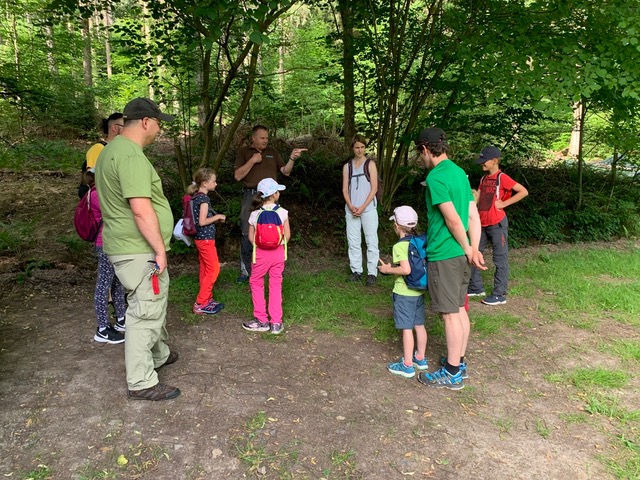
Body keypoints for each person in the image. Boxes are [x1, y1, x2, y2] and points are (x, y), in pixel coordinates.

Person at [94, 97, 180, 401]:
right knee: (145, 309)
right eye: (158, 123)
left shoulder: (111, 151)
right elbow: (141, 209)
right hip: (138, 248)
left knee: (150, 301)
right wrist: (160, 250)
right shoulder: (130, 156)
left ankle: (160, 353)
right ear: (145, 122)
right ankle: (142, 380)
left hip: (123, 246)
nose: (159, 130)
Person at [414, 127, 485, 390]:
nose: (420, 158)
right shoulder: (459, 173)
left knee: (450, 314)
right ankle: (459, 362)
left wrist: (467, 247)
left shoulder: (436, 177)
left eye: (419, 153)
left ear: (424, 149)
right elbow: (472, 215)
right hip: (461, 254)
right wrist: (474, 248)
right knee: (459, 309)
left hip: (446, 253)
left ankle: (452, 371)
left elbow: (453, 218)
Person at [234, 125, 306, 283]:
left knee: (275, 229)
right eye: (262, 138)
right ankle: (246, 271)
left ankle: (274, 266)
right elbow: (238, 176)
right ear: (253, 138)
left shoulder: (272, 152)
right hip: (251, 196)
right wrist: (253, 160)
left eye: (267, 138)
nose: (265, 141)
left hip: (272, 198)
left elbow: (285, 171)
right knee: (247, 233)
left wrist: (292, 158)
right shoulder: (244, 152)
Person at [468, 146, 529, 305]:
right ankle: (475, 287)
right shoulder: (483, 179)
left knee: (499, 258)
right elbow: (479, 198)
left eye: (484, 161)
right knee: (474, 253)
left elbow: (523, 191)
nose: (481, 164)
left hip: (497, 224)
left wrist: (504, 203)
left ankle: (499, 294)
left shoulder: (502, 178)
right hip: (481, 223)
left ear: (494, 161)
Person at [377, 206, 428, 378]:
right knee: (419, 325)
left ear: (397, 225)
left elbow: (405, 270)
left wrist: (387, 270)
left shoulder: (400, 246)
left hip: (404, 292)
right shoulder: (419, 241)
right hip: (419, 291)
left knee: (406, 328)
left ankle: (407, 365)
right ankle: (420, 358)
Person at [242, 178, 291, 335]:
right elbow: (287, 236)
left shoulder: (255, 214)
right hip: (278, 254)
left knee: (256, 283)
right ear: (275, 195)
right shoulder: (282, 213)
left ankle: (261, 320)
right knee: (276, 285)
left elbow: (251, 238)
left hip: (260, 255)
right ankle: (276, 323)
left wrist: (261, 245)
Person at [84, 169, 127, 345]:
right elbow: (116, 212)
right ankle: (102, 328)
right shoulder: (96, 195)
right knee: (104, 284)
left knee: (117, 282)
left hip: (113, 243)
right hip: (105, 244)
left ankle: (121, 319)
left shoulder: (100, 193)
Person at [187, 168, 226, 315]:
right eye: (214, 181)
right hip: (205, 240)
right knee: (214, 269)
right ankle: (200, 302)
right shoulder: (203, 199)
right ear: (204, 183)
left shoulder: (196, 197)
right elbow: (202, 221)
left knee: (205, 269)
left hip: (200, 239)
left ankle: (207, 299)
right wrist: (218, 217)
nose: (216, 184)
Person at [342, 135, 380, 286]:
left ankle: (372, 272)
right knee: (353, 241)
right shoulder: (347, 166)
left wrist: (363, 207)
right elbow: (345, 189)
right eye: (357, 147)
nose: (360, 150)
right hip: (351, 209)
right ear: (352, 148)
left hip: (369, 208)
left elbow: (374, 188)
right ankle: (356, 270)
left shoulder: (370, 164)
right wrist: (351, 206)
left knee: (371, 241)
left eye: (362, 147)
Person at [79, 113, 124, 198]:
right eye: (124, 125)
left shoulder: (120, 149)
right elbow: (92, 179)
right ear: (114, 127)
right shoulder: (98, 148)